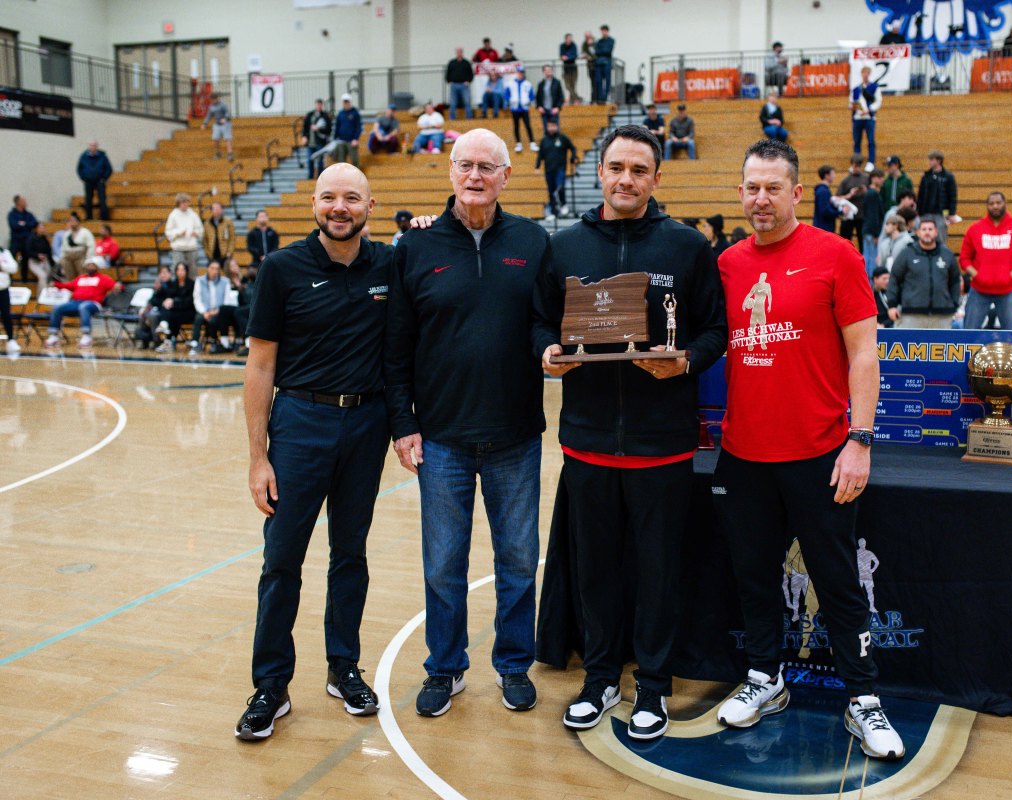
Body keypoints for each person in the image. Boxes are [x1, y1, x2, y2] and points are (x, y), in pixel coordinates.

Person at [532, 124, 727, 742]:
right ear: (601, 172)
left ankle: (655, 686)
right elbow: (538, 320)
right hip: (586, 441)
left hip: (662, 444)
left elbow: (715, 331)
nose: (625, 179)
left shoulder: (687, 247)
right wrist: (546, 353)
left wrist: (685, 361)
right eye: (616, 167)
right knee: (596, 571)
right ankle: (599, 679)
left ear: (656, 179)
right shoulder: (563, 247)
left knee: (658, 574)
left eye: (638, 170)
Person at [712, 138, 903, 762]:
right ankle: (766, 679)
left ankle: (862, 698)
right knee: (754, 576)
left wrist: (861, 440)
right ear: (740, 192)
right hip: (743, 454)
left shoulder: (836, 254)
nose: (760, 199)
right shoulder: (729, 263)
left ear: (798, 192)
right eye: (751, 187)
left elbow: (864, 354)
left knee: (839, 583)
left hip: (821, 453)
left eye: (773, 187)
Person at [383, 129, 550, 718]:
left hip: (515, 436)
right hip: (442, 439)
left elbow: (544, 322)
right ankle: (445, 668)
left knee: (518, 560)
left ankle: (512, 666)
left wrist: (552, 348)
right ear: (451, 172)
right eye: (466, 165)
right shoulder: (414, 246)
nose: (475, 176)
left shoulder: (533, 242)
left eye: (488, 166)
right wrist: (403, 423)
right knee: (444, 564)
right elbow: (397, 346)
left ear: (507, 175)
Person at [235, 162, 392, 741]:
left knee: (350, 554)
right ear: (314, 204)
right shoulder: (282, 269)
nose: (340, 207)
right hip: (300, 423)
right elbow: (260, 365)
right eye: (330, 197)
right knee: (282, 561)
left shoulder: (389, 265)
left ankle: (343, 665)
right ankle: (270, 686)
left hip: (367, 423)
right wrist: (258, 457)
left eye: (352, 198)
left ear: (369, 207)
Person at [958, 192, 1012, 330]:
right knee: (968, 332)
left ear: (1005, 204)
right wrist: (977, 275)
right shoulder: (975, 229)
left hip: (1007, 290)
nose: (995, 206)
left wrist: (1011, 275)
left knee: (1011, 334)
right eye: (991, 204)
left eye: (998, 203)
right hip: (979, 290)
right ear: (987, 206)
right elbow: (964, 258)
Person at [887, 217, 962, 328]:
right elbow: (894, 279)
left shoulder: (947, 254)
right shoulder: (907, 254)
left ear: (936, 232)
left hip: (942, 315)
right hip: (911, 314)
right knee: (909, 345)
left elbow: (955, 281)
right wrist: (892, 305)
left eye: (930, 229)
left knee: (940, 345)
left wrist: (954, 304)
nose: (927, 232)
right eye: (924, 229)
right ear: (918, 232)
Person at [44, 257, 119, 348]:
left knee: (84, 307)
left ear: (97, 267)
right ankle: (53, 335)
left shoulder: (104, 279)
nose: (90, 267)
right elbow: (69, 286)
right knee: (57, 308)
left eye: (92, 265)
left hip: (93, 304)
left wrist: (119, 287)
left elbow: (116, 287)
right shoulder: (80, 278)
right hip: (76, 302)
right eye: (88, 265)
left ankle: (86, 335)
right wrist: (55, 284)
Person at [534, 119, 578, 220]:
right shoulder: (544, 141)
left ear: (556, 126)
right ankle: (553, 211)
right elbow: (540, 155)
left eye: (553, 126)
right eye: (549, 126)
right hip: (548, 170)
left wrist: (573, 157)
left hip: (560, 169)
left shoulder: (562, 138)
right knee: (551, 191)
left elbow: (573, 148)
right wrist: (537, 166)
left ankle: (563, 204)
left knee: (560, 187)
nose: (551, 128)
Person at [189, 260, 235, 354]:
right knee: (198, 319)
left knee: (213, 320)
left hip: (219, 311)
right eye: (212, 268)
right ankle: (194, 344)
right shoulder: (199, 280)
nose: (215, 271)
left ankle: (214, 342)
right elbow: (197, 299)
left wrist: (217, 311)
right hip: (204, 310)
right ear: (208, 269)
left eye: (217, 269)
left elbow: (226, 300)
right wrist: (204, 312)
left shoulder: (225, 281)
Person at [916, 150, 959, 242]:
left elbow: (952, 196)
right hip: (925, 213)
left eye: (932, 159)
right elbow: (920, 195)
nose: (930, 162)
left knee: (941, 238)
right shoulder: (926, 176)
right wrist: (918, 211)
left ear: (939, 160)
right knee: (924, 238)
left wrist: (951, 213)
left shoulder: (948, 176)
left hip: (940, 213)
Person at [154, 262, 196, 352]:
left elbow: (189, 302)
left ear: (186, 271)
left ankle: (167, 337)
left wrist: (174, 302)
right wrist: (159, 291)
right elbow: (166, 296)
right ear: (176, 272)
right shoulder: (174, 283)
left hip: (188, 311)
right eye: (178, 270)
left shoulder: (191, 284)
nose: (180, 272)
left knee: (172, 315)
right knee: (166, 306)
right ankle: (167, 338)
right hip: (177, 311)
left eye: (182, 269)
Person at [849, 65, 881, 169]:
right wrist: (853, 107)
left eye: (867, 73)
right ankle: (856, 163)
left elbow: (878, 101)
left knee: (871, 140)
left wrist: (869, 109)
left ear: (869, 74)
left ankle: (871, 161)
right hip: (858, 118)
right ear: (861, 74)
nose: (865, 75)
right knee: (857, 141)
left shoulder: (874, 87)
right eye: (864, 73)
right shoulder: (856, 89)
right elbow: (851, 102)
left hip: (869, 118)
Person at [837, 154, 870, 248]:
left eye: (858, 166)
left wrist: (866, 191)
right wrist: (850, 195)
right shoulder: (846, 180)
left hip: (862, 216)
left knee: (862, 242)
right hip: (848, 216)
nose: (856, 168)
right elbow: (838, 198)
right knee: (845, 242)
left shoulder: (866, 179)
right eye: (854, 165)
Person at [165, 193, 203, 272]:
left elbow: (200, 229)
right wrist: (178, 233)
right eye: (183, 202)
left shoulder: (193, 215)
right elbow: (168, 232)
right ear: (178, 203)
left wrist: (195, 232)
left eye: (187, 202)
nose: (185, 204)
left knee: (193, 272)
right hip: (178, 248)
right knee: (179, 272)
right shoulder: (173, 215)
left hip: (192, 248)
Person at [77, 141, 113, 221]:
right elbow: (79, 169)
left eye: (94, 145)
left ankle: (104, 217)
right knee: (88, 199)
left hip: (100, 181)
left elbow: (109, 169)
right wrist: (83, 178)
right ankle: (89, 217)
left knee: (102, 199)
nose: (92, 147)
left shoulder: (103, 156)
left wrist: (104, 178)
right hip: (88, 181)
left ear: (97, 146)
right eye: (91, 145)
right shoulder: (83, 156)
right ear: (88, 146)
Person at [506, 70, 537, 154]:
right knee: (516, 126)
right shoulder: (511, 84)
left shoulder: (527, 84)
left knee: (528, 125)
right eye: (519, 73)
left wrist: (528, 100)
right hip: (515, 108)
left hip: (524, 108)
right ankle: (518, 143)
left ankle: (532, 142)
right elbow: (506, 94)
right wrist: (511, 101)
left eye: (522, 73)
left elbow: (531, 95)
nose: (520, 74)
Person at [59, 212, 96, 281]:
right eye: (70, 221)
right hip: (68, 258)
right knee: (70, 278)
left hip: (81, 257)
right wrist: (62, 257)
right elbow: (63, 247)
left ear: (78, 222)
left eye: (73, 221)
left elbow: (91, 246)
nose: (71, 223)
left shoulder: (85, 232)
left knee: (82, 278)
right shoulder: (67, 234)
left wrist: (89, 260)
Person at [301, 98, 333, 179]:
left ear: (322, 105)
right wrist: (304, 136)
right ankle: (310, 177)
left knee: (320, 161)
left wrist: (319, 129)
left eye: (320, 105)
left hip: (320, 142)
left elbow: (328, 130)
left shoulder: (325, 116)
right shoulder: (310, 115)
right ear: (315, 105)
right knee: (309, 160)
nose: (318, 106)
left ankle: (320, 178)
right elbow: (305, 127)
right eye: (317, 104)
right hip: (310, 143)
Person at [8, 195, 37, 282]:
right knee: (11, 259)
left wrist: (22, 224)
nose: (25, 202)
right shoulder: (12, 214)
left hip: (26, 241)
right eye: (23, 200)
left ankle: (24, 279)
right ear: (18, 202)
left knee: (25, 260)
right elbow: (14, 226)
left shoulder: (28, 214)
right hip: (16, 241)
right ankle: (10, 278)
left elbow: (34, 223)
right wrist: (26, 225)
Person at [861, 171, 885, 271]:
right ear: (874, 178)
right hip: (871, 232)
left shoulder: (871, 193)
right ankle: (870, 284)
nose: (882, 180)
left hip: (869, 230)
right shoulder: (872, 194)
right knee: (871, 259)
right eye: (880, 178)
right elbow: (873, 215)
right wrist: (876, 234)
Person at [332, 94, 362, 167]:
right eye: (344, 102)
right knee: (341, 161)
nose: (346, 103)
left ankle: (356, 177)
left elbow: (358, 127)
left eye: (347, 101)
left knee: (354, 160)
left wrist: (356, 139)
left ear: (350, 102)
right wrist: (335, 138)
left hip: (351, 141)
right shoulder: (340, 113)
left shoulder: (355, 113)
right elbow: (337, 126)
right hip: (341, 140)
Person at [204, 202, 236, 270]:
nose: (216, 210)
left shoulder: (228, 222)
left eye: (218, 208)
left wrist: (229, 252)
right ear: (211, 210)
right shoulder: (207, 223)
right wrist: (208, 254)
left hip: (225, 254)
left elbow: (232, 238)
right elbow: (205, 240)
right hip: (212, 255)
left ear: (222, 210)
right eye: (214, 209)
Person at [203, 92, 234, 161]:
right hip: (217, 124)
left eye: (214, 99)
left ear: (217, 98)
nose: (213, 100)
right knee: (215, 139)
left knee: (227, 138)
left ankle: (230, 154)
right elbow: (208, 116)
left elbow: (228, 113)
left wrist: (225, 119)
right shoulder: (211, 107)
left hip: (225, 124)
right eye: (212, 99)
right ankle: (218, 153)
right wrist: (205, 124)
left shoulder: (223, 105)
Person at [445, 48, 474, 120]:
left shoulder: (466, 63)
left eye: (460, 52)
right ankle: (452, 118)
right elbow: (448, 73)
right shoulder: (452, 62)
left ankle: (469, 117)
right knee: (453, 103)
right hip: (454, 85)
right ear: (456, 53)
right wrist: (449, 81)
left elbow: (471, 74)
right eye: (458, 52)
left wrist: (468, 81)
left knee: (467, 102)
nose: (459, 53)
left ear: (462, 53)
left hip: (464, 85)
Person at [536, 64, 565, 135]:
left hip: (553, 110)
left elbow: (561, 97)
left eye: (550, 70)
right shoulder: (541, 84)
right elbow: (538, 97)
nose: (549, 71)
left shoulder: (557, 83)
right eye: (547, 70)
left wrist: (558, 107)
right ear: (544, 72)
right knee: (546, 130)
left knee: (556, 130)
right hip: (544, 111)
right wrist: (539, 107)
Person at [25, 221, 53, 294]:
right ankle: (42, 296)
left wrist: (45, 256)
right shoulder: (31, 239)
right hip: (34, 261)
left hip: (44, 260)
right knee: (42, 276)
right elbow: (28, 251)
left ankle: (45, 293)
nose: (42, 229)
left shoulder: (45, 239)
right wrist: (37, 255)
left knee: (49, 275)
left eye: (43, 228)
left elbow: (49, 251)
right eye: (40, 228)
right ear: (36, 229)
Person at [812, 165, 841, 233]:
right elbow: (825, 211)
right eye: (832, 174)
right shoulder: (823, 191)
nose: (834, 176)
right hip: (823, 228)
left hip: (824, 228)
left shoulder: (824, 190)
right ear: (826, 175)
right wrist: (840, 212)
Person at [593, 24, 615, 104]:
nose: (603, 32)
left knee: (607, 80)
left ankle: (605, 97)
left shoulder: (611, 40)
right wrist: (602, 52)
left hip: (607, 62)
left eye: (605, 31)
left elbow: (608, 51)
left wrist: (601, 52)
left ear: (607, 31)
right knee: (598, 81)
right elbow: (596, 52)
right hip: (599, 63)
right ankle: (600, 98)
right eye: (602, 31)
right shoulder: (599, 41)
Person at [0, 247, 16, 353]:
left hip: (3, 290)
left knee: (6, 315)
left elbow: (14, 268)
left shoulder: (4, 252)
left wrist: (2, 266)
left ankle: (11, 340)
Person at [561, 33, 580, 104]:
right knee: (567, 85)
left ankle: (573, 100)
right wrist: (568, 57)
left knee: (573, 85)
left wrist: (567, 57)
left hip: (573, 68)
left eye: (571, 39)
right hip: (566, 68)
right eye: (568, 39)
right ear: (565, 39)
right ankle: (577, 97)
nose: (570, 40)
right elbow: (562, 55)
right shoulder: (562, 46)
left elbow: (574, 55)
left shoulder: (574, 45)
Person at [582, 32, 597, 101]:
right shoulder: (584, 44)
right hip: (590, 66)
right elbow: (583, 52)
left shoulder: (596, 43)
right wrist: (586, 56)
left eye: (588, 36)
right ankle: (593, 98)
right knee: (593, 83)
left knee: (597, 82)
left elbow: (597, 53)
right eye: (586, 37)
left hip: (597, 66)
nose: (587, 38)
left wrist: (591, 45)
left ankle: (597, 98)